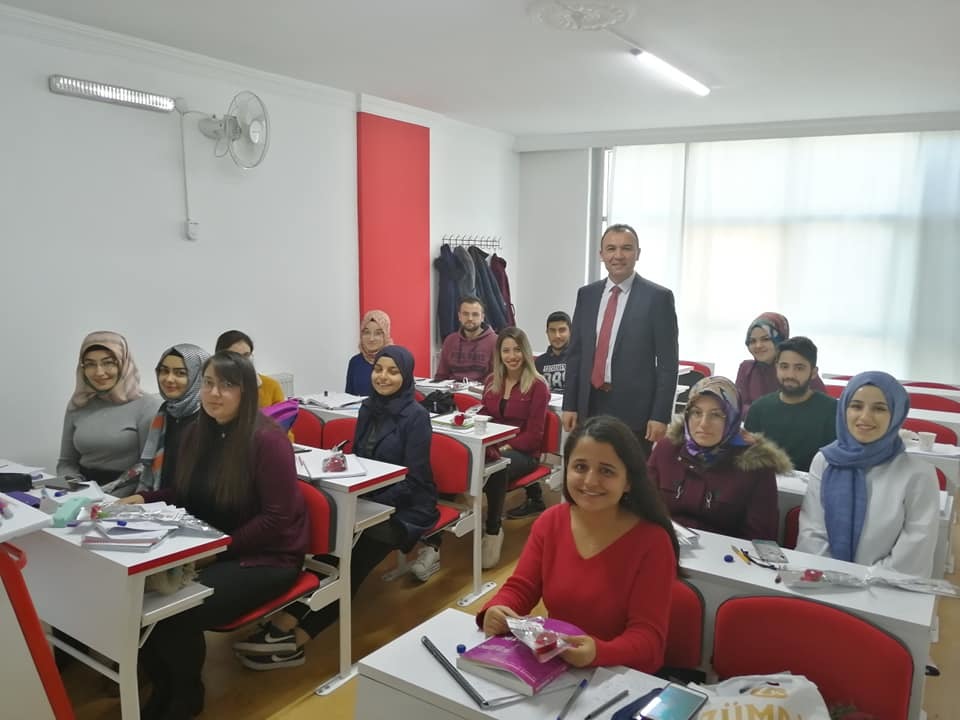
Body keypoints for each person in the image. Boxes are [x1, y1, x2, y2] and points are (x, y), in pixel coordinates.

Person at [123, 350, 309, 719]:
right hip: (214, 546)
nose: (213, 393)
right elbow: (183, 493)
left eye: (226, 385)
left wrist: (218, 550)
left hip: (268, 556)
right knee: (141, 603)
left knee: (177, 611)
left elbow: (276, 518)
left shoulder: (268, 441)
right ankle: (163, 688)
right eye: (208, 383)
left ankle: (187, 697)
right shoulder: (197, 432)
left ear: (246, 392)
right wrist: (142, 499)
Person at [233, 345, 440, 667]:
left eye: (393, 371)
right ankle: (290, 617)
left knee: (354, 555)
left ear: (407, 375)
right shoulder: (368, 407)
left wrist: (368, 500)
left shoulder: (416, 416)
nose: (383, 377)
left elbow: (415, 480)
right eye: (378, 369)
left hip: (408, 506)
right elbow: (360, 457)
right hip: (366, 496)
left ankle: (297, 636)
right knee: (329, 548)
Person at [478, 415, 678, 672]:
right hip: (558, 667)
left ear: (628, 481)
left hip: (618, 675)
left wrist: (598, 652)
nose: (590, 481)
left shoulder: (652, 542)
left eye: (606, 471)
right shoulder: (551, 522)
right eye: (580, 467)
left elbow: (649, 642)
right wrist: (497, 609)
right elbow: (521, 588)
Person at [797, 371, 939, 577]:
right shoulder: (825, 461)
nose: (865, 417)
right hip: (824, 582)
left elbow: (914, 553)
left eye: (879, 408)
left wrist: (861, 582)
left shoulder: (919, 475)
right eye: (856, 406)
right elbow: (812, 532)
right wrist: (832, 578)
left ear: (896, 414)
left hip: (886, 589)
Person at [562, 224, 679, 458]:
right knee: (592, 466)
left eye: (626, 248)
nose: (618, 255)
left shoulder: (658, 298)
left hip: (635, 410)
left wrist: (660, 415)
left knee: (631, 472)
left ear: (638, 253)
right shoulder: (587, 295)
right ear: (601, 254)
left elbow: (668, 364)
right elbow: (576, 354)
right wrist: (570, 404)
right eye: (611, 248)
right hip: (589, 403)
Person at [647, 377, 787, 541]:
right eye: (696, 413)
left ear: (733, 417)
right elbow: (642, 509)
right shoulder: (667, 449)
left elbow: (761, 536)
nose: (703, 424)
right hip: (665, 546)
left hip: (726, 554)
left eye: (716, 415)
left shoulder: (756, 464)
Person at [475, 328, 550, 564]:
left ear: (525, 352)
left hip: (524, 453)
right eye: (506, 350)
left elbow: (534, 437)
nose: (512, 356)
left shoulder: (538, 385)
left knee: (498, 469)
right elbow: (485, 413)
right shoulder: (491, 381)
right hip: (494, 448)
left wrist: (505, 446)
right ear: (499, 354)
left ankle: (493, 530)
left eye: (517, 350)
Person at [57, 331, 161, 487]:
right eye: (90, 364)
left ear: (123, 364)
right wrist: (77, 488)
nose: (99, 372)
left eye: (108, 363)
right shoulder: (79, 404)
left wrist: (108, 493)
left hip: (129, 491)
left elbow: (147, 466)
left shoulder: (147, 406)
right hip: (83, 489)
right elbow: (66, 462)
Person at [744, 336, 837, 471]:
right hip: (766, 481)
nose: (790, 375)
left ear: (813, 373)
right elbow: (748, 459)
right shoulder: (759, 409)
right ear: (776, 368)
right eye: (784, 366)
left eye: (799, 368)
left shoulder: (832, 410)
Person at [136, 343, 211, 493]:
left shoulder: (209, 418)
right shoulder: (166, 412)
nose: (169, 379)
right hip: (160, 500)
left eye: (180, 373)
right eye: (164, 371)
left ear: (199, 377)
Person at [735, 312, 825, 415]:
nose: (758, 345)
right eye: (752, 341)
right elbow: (737, 406)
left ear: (780, 340)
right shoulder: (747, 369)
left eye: (766, 339)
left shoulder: (800, 368)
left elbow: (822, 408)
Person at [434, 296, 497, 382]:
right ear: (459, 316)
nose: (470, 318)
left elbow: (497, 378)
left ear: (482, 317)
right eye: (465, 314)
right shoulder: (450, 340)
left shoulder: (495, 341)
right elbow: (441, 375)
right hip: (452, 388)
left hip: (481, 389)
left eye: (475, 314)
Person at [215, 330, 285, 407]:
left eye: (246, 355)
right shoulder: (212, 389)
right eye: (235, 356)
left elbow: (282, 414)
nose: (242, 361)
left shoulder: (271, 386)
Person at [345, 310, 392, 396]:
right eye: (366, 332)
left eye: (378, 333)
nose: (371, 339)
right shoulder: (355, 361)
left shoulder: (394, 360)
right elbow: (349, 397)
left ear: (386, 335)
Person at [535, 310, 570, 392]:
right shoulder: (539, 363)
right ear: (547, 333)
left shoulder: (579, 360)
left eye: (562, 330)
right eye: (552, 330)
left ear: (570, 332)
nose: (557, 335)